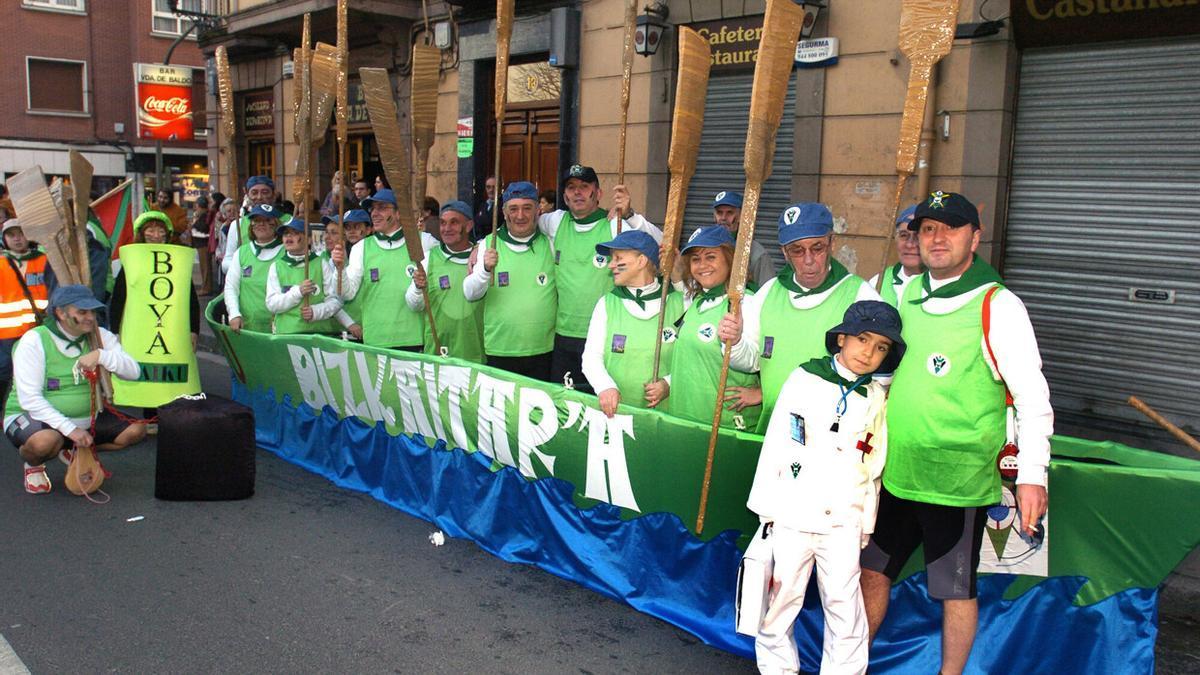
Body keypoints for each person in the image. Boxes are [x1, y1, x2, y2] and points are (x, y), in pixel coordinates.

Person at [859, 191, 1053, 675]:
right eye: (928, 229)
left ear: (975, 237)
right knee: (870, 574)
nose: (937, 238)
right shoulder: (902, 294)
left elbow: (1032, 396)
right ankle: (850, 664)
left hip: (957, 481)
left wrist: (1033, 476)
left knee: (955, 590)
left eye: (950, 227)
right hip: (895, 474)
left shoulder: (997, 304)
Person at [748, 300, 905, 675]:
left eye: (881, 347)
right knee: (779, 600)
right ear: (840, 339)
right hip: (792, 513)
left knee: (844, 607)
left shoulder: (877, 398)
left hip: (843, 521)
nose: (869, 352)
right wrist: (767, 510)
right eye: (862, 339)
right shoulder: (805, 378)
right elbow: (777, 444)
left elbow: (874, 464)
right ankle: (777, 669)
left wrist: (865, 523)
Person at [718, 203, 879, 432]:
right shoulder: (769, 292)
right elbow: (751, 359)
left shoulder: (861, 297)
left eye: (817, 248)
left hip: (831, 433)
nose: (809, 260)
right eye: (797, 250)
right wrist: (733, 342)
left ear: (832, 243)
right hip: (774, 428)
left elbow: (879, 374)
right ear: (784, 252)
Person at [5, 285, 147, 494]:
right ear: (60, 313)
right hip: (32, 417)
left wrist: (102, 355)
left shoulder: (100, 336)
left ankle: (73, 449)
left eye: (93, 311)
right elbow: (30, 400)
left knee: (136, 430)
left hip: (85, 417)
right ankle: (34, 466)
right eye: (82, 312)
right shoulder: (34, 340)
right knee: (45, 443)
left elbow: (134, 372)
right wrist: (70, 430)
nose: (90, 317)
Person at [540, 164, 663, 392]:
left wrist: (630, 214)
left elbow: (659, 245)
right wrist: (480, 246)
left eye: (584, 187)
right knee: (564, 403)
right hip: (564, 335)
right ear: (564, 196)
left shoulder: (614, 224)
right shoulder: (555, 222)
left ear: (598, 194)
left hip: (604, 335)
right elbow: (521, 227)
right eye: (571, 187)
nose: (577, 192)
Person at [645, 225, 761, 430]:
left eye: (711, 257)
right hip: (684, 417)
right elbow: (692, 360)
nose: (702, 265)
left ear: (729, 258)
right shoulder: (697, 301)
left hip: (721, 425)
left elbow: (755, 362)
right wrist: (668, 384)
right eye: (696, 259)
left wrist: (735, 342)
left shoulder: (746, 303)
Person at [582, 230, 682, 417]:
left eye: (618, 258)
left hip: (665, 416)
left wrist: (669, 383)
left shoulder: (678, 301)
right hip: (617, 412)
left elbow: (692, 359)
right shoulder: (607, 303)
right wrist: (605, 387)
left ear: (641, 261)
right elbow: (591, 357)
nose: (611, 265)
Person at [463, 182, 557, 380]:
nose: (520, 216)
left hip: (544, 350)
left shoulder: (551, 243)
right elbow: (470, 294)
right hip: (500, 350)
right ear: (504, 213)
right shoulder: (488, 244)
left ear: (538, 211)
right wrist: (485, 270)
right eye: (513, 209)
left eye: (527, 208)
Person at [331, 188, 437, 351]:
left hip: (414, 339)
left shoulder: (423, 241)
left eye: (382, 207)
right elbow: (347, 293)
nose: (374, 213)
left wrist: (475, 251)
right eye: (372, 208)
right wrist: (339, 271)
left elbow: (450, 254)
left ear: (398, 213)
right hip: (375, 340)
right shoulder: (362, 247)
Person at [109, 211, 200, 350]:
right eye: (151, 231)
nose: (156, 236)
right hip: (138, 328)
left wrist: (194, 330)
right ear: (142, 234)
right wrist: (115, 332)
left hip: (172, 328)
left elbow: (191, 298)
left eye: (160, 231)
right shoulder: (132, 260)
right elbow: (118, 298)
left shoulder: (177, 260)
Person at [407, 200, 484, 362]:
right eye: (442, 223)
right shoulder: (428, 258)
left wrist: (479, 247)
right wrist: (417, 287)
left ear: (469, 226)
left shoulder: (483, 258)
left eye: (454, 223)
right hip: (438, 354)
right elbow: (414, 305)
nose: (447, 229)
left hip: (477, 354)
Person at [0, 219, 56, 408]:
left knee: (39, 371)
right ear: (4, 238)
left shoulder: (44, 260)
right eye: (11, 235)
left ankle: (38, 408)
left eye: (21, 233)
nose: (17, 239)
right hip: (6, 332)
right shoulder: (0, 262)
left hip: (38, 328)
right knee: (5, 372)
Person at [265, 219, 347, 336]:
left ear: (309, 239)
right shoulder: (276, 266)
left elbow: (335, 300)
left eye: (295, 233)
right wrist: (298, 292)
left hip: (318, 334)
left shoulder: (321, 263)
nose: (289, 236)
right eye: (285, 233)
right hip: (287, 334)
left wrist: (316, 312)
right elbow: (272, 304)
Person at [223, 204, 286, 333]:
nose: (261, 224)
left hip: (280, 327)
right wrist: (234, 314)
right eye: (257, 221)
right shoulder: (242, 252)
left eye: (267, 220)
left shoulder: (286, 252)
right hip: (248, 326)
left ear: (276, 224)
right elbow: (231, 287)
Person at [222, 176, 292, 276]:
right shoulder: (238, 224)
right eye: (254, 193)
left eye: (265, 192)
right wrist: (241, 268)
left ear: (273, 194)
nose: (259, 197)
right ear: (247, 195)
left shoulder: (288, 221)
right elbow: (227, 261)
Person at [711, 190, 777, 286]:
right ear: (714, 216)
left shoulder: (756, 252)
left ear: (741, 216)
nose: (723, 218)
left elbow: (768, 291)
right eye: (719, 213)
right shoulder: (703, 247)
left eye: (729, 213)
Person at [868, 205, 922, 308]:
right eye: (904, 235)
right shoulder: (878, 282)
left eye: (918, 236)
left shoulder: (939, 283)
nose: (910, 244)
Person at [189, 195, 213, 295]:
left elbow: (204, 230)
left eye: (197, 206)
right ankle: (205, 286)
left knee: (205, 267)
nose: (196, 208)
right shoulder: (200, 216)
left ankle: (206, 288)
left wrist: (193, 229)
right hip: (200, 244)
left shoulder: (205, 217)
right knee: (203, 267)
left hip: (203, 244)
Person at [472, 175, 497, 243]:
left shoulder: (503, 205)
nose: (491, 190)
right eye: (488, 187)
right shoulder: (482, 205)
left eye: (494, 187)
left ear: (500, 187)